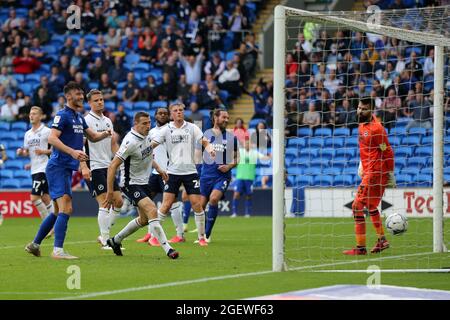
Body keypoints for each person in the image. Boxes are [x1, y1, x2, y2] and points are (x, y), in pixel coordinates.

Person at [25, 82, 112, 260]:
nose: (81, 97)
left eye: (82, 94)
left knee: (57, 211)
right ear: (68, 97)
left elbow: (93, 137)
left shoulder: (79, 117)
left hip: (65, 169)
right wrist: (73, 152)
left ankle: (35, 244)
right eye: (77, 94)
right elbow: (52, 138)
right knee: (67, 208)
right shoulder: (62, 115)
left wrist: (105, 134)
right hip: (57, 167)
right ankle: (58, 251)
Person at [103, 112, 178, 259]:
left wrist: (159, 169)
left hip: (143, 182)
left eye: (149, 122)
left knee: (144, 220)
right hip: (130, 184)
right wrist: (110, 192)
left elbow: (148, 154)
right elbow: (112, 166)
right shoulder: (130, 141)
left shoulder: (147, 136)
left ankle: (115, 240)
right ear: (135, 124)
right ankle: (168, 249)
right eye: (144, 123)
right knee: (152, 210)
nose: (147, 126)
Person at [151, 103, 216, 246]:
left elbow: (204, 141)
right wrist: (141, 151)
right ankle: (155, 238)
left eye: (181, 110)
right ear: (171, 114)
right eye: (175, 111)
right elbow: (151, 146)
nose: (179, 112)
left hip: (190, 172)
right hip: (172, 172)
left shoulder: (192, 128)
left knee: (196, 204)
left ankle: (201, 237)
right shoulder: (166, 130)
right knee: (166, 205)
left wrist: (210, 149)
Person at [343, 98, 395, 256]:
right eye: (359, 108)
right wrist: (361, 164)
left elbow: (387, 151)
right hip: (369, 171)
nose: (359, 111)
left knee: (356, 206)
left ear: (371, 110)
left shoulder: (377, 128)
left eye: (363, 109)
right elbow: (367, 148)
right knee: (371, 206)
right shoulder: (361, 125)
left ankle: (360, 248)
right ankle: (382, 240)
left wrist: (390, 173)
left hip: (375, 173)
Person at [79, 89, 123, 249]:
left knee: (119, 202)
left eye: (101, 99)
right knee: (104, 202)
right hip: (94, 166)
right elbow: (80, 146)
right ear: (89, 103)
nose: (100, 102)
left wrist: (121, 159)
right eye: (96, 100)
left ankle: (103, 234)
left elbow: (113, 145)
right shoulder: (86, 121)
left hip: (108, 166)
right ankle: (106, 240)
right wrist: (84, 166)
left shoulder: (108, 121)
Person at [135, 107, 185, 246]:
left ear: (168, 116)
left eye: (165, 113)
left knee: (172, 203)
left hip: (169, 172)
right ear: (155, 116)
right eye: (160, 113)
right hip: (155, 173)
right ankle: (150, 233)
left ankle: (180, 234)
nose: (162, 115)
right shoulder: (150, 132)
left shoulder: (172, 130)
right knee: (145, 202)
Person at [200, 109, 239, 242]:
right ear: (215, 118)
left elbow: (237, 157)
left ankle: (207, 235)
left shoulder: (231, 137)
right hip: (205, 176)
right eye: (224, 117)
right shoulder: (205, 135)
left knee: (214, 199)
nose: (227, 120)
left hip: (222, 177)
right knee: (200, 206)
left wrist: (228, 166)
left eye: (228, 118)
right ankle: (202, 234)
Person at [16, 106, 54, 223]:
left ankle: (47, 225)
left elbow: (56, 149)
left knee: (34, 197)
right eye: (30, 114)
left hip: (44, 168)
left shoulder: (47, 131)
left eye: (35, 114)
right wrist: (21, 153)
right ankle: (55, 224)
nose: (31, 116)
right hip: (35, 169)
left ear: (41, 116)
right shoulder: (27, 134)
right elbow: (27, 152)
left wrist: (44, 151)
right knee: (45, 198)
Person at [231, 138, 271, 218]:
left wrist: (269, 156)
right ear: (244, 144)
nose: (247, 145)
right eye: (246, 143)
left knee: (248, 195)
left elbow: (263, 158)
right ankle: (234, 213)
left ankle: (247, 213)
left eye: (248, 143)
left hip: (249, 178)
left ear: (251, 144)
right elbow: (232, 155)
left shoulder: (254, 152)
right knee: (236, 194)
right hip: (240, 177)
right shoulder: (240, 152)